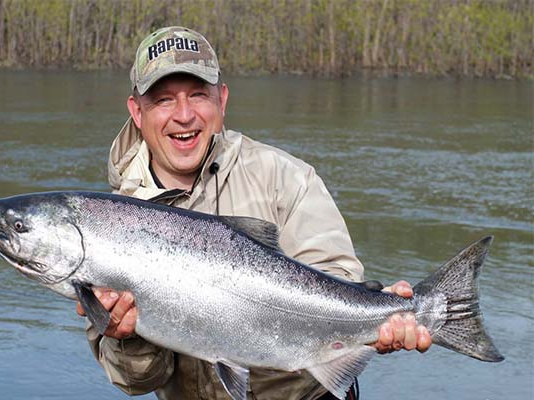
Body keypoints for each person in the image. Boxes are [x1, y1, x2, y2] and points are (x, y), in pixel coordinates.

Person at [77, 26, 431, 400]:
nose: (184, 115)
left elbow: (337, 281)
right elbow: (135, 382)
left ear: (222, 100)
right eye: (164, 100)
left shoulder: (285, 178)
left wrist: (382, 317)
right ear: (137, 111)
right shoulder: (111, 230)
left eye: (198, 95)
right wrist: (126, 338)